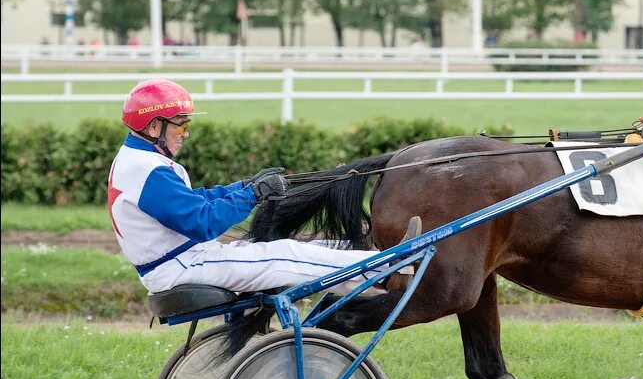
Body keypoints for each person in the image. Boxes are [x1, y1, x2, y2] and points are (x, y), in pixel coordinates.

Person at [108, 78, 419, 296]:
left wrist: (247, 186)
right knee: (287, 253)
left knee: (311, 248)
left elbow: (195, 201)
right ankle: (386, 270)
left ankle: (379, 256)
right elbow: (201, 222)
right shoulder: (146, 170)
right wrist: (252, 195)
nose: (185, 134)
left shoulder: (139, 162)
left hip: (184, 260)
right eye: (182, 126)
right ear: (153, 127)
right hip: (183, 266)